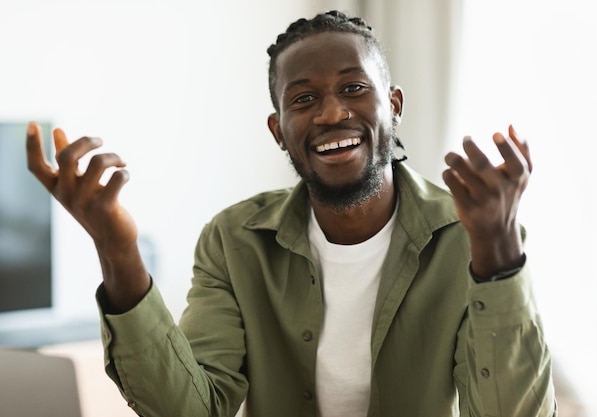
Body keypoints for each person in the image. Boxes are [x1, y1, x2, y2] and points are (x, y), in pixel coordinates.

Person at [26, 10, 556, 417]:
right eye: (302, 100)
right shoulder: (234, 240)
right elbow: (188, 409)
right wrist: (117, 248)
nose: (330, 113)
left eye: (354, 88)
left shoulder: (475, 236)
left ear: (393, 105)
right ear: (278, 129)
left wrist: (497, 257)